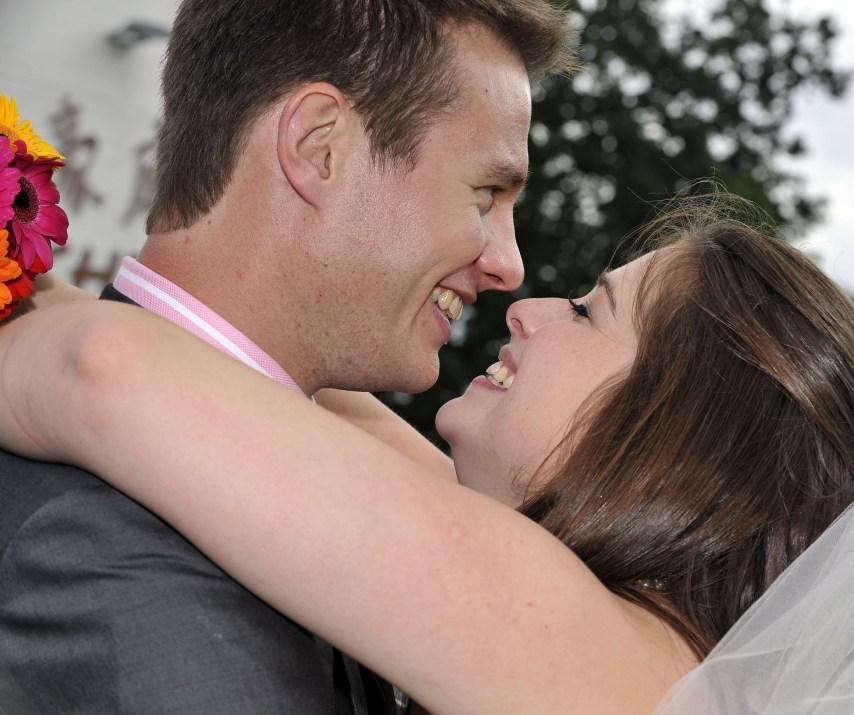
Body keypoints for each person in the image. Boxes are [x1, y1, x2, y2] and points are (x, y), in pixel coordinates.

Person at [2, 194, 854, 714]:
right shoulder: (649, 644)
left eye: (590, 311)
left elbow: (104, 367)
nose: (528, 305)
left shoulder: (598, 665)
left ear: (673, 435)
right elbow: (296, 393)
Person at [0, 1, 577, 712]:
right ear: (318, 147)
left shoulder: (293, 493)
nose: (508, 266)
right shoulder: (103, 545)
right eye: (486, 193)